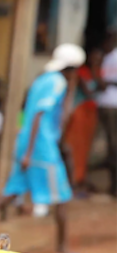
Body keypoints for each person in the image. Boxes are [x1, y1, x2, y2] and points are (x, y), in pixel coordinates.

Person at [0, 43, 86, 253]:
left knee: (11, 191)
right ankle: (63, 248)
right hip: (41, 148)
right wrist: (29, 153)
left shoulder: (42, 79)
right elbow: (40, 115)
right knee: (62, 195)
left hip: (26, 142)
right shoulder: (58, 83)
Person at [63, 47, 103, 197]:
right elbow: (90, 91)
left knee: (85, 149)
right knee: (75, 147)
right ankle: (72, 181)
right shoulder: (81, 73)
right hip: (79, 113)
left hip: (91, 114)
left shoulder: (98, 72)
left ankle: (79, 179)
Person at [97, 33, 117, 197]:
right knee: (111, 145)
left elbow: (105, 82)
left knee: (114, 146)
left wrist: (106, 83)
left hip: (112, 105)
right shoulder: (106, 58)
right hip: (106, 104)